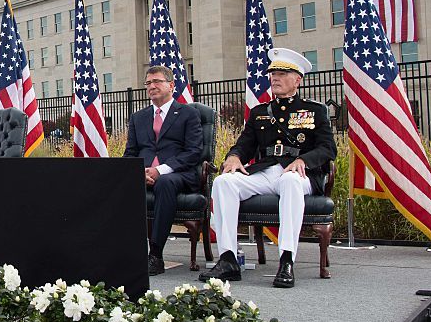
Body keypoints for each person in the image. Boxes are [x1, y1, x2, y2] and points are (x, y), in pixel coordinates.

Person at [201, 48, 336, 288]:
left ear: (297, 79)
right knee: (224, 182)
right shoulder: (260, 112)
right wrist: (233, 156)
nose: (274, 77)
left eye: (282, 73)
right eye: (273, 73)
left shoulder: (315, 111)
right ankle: (228, 258)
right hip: (265, 172)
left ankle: (286, 260)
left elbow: (327, 149)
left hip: (300, 175)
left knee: (290, 180)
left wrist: (303, 160)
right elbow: (245, 145)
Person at [124, 65, 203, 276]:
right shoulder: (138, 118)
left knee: (165, 182)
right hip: (144, 173)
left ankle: (156, 255)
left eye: (157, 81)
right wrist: (140, 172)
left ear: (171, 85)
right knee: (116, 179)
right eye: (148, 83)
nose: (152, 86)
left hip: (178, 174)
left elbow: (194, 152)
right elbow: (130, 153)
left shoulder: (188, 114)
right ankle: (120, 250)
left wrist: (160, 171)